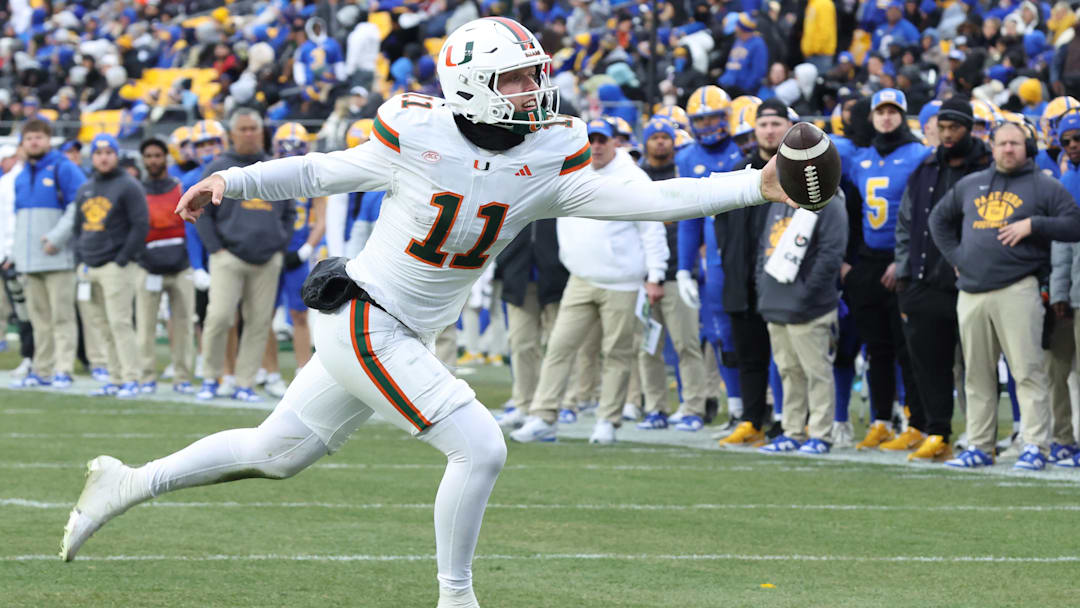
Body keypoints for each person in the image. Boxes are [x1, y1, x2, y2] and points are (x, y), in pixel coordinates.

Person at [59, 18, 795, 608]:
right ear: (473, 85)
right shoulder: (417, 132)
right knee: (481, 446)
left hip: (404, 328)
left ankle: (128, 481)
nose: (534, 88)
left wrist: (758, 185)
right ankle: (456, 597)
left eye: (535, 73)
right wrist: (232, 177)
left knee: (275, 454)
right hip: (366, 316)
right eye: (515, 77)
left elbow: (656, 200)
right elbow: (322, 170)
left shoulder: (549, 152)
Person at [930, 120, 1080, 470]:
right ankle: (980, 446)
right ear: (992, 147)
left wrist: (1034, 225)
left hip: (1018, 287)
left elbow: (1074, 223)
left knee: (1027, 372)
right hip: (971, 291)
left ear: (1026, 147)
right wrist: (957, 257)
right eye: (1002, 143)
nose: (1008, 149)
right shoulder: (972, 183)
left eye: (1015, 143)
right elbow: (938, 220)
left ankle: (1035, 446)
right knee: (977, 375)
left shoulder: (1044, 185)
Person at [509, 117, 669, 445]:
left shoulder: (632, 178)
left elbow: (651, 228)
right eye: (590, 139)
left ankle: (608, 420)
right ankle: (543, 416)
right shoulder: (571, 170)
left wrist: (655, 274)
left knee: (617, 352)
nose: (595, 145)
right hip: (580, 277)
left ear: (615, 143)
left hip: (622, 282)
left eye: (602, 140)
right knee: (558, 347)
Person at [894, 98, 991, 462]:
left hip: (972, 282)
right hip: (924, 282)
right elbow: (906, 223)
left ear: (969, 128)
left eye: (955, 128)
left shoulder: (987, 168)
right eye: (942, 128)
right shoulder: (925, 168)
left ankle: (980, 434)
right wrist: (905, 272)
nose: (947, 135)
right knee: (929, 364)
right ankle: (938, 432)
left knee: (977, 365)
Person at [843, 89, 932, 450]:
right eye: (881, 111)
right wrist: (847, 263)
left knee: (908, 348)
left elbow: (923, 213)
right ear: (872, 116)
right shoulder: (860, 157)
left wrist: (905, 259)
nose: (886, 117)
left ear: (903, 115)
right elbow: (846, 208)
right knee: (875, 349)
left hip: (903, 261)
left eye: (893, 111)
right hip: (868, 264)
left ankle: (916, 422)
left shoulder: (918, 155)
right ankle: (882, 419)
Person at [194, 108, 295, 403]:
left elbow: (290, 212)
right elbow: (202, 212)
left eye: (254, 128)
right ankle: (211, 377)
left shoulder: (274, 166)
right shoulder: (218, 167)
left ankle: (245, 382)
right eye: (244, 128)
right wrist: (216, 249)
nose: (250, 133)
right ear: (232, 134)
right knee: (219, 317)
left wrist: (280, 244)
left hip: (267, 258)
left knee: (259, 322)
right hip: (228, 255)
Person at [713, 97, 791, 447]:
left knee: (789, 359)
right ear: (754, 129)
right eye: (763, 124)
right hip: (741, 279)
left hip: (783, 279)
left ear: (789, 127)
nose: (770, 130)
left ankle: (788, 421)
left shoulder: (800, 171)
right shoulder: (738, 171)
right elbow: (722, 227)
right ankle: (751, 420)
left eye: (776, 123)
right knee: (749, 356)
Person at [756, 188, 848, 455]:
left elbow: (831, 254)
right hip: (776, 302)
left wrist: (806, 294)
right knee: (788, 371)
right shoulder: (778, 202)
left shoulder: (830, 204)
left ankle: (821, 433)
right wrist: (764, 291)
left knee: (817, 372)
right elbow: (764, 249)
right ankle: (792, 431)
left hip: (811, 308)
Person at [636, 116, 709, 432]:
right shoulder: (634, 178)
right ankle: (655, 408)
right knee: (647, 347)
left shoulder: (684, 174)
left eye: (666, 137)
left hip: (680, 271)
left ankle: (693, 407)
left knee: (687, 345)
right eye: (655, 137)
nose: (661, 142)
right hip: (642, 275)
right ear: (646, 142)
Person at [10, 119, 86, 388]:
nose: (33, 142)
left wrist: (57, 237)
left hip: (58, 259)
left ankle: (63, 369)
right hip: (29, 262)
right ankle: (41, 370)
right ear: (23, 143)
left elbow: (80, 204)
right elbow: (19, 220)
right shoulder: (20, 177)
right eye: (29, 138)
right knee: (39, 320)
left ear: (48, 140)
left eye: (38, 137)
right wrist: (15, 254)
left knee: (62, 317)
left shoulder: (63, 168)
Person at [73, 134, 150, 398]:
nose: (103, 157)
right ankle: (114, 377)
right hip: (89, 265)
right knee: (101, 325)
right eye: (98, 152)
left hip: (115, 266)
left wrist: (122, 259)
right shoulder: (86, 187)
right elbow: (77, 227)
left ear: (116, 155)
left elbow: (141, 225)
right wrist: (79, 259)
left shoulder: (129, 185)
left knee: (119, 323)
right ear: (92, 157)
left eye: (108, 152)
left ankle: (131, 378)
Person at [260, 123, 326, 397]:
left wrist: (306, 249)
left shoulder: (312, 176)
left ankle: (303, 371)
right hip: (269, 250)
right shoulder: (265, 174)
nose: (289, 154)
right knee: (263, 315)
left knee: (299, 313)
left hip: (297, 251)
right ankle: (271, 372)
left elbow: (321, 219)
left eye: (295, 148)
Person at [135, 137, 196, 395]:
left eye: (157, 155)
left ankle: (182, 376)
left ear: (166, 158)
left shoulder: (179, 187)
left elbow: (191, 225)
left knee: (183, 324)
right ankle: (146, 375)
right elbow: (133, 227)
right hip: (147, 266)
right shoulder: (137, 190)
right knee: (145, 326)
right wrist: (141, 258)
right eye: (148, 156)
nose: (153, 160)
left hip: (180, 266)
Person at [1047, 110, 1080, 467]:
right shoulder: (1066, 180)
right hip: (1067, 288)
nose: (1072, 146)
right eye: (1066, 141)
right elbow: (1062, 242)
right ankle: (1063, 440)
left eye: (1077, 140)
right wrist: (1058, 291)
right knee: (1055, 368)